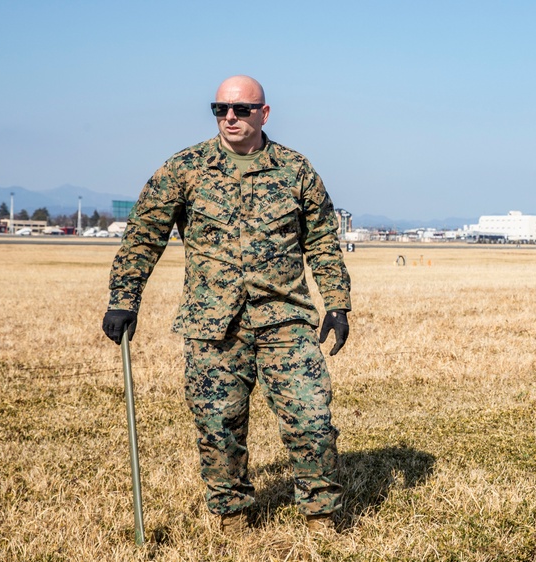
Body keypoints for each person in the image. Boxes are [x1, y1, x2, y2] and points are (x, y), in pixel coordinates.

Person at [101, 75, 351, 535]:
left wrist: (336, 303)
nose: (230, 117)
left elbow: (321, 240)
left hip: (285, 321)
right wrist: (124, 299)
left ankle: (320, 516)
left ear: (265, 113)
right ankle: (231, 517)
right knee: (219, 427)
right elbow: (143, 236)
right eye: (220, 109)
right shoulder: (185, 168)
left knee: (312, 420)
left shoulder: (296, 170)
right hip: (212, 324)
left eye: (241, 110)